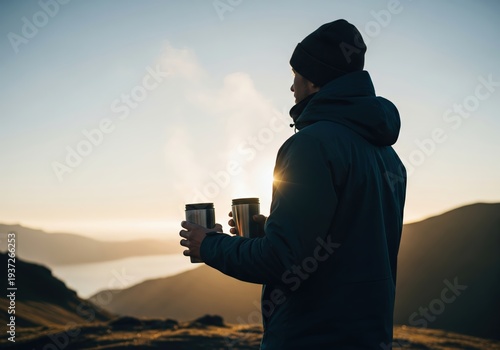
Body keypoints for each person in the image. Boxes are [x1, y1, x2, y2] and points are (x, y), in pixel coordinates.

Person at [180, 19, 406, 349]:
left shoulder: (311, 145)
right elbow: (348, 241)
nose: (291, 87)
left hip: (312, 336)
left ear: (313, 80)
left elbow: (282, 261)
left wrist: (209, 245)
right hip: (368, 336)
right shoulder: (387, 155)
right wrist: (275, 227)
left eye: (295, 75)